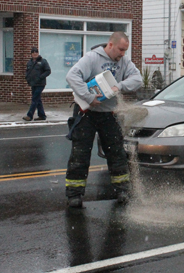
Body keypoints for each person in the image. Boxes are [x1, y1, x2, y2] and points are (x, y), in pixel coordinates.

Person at [65, 32, 142, 208]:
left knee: (116, 153)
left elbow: (137, 79)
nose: (123, 54)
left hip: (109, 114)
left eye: (125, 50)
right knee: (80, 154)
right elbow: (72, 76)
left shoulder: (124, 62)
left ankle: (122, 190)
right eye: (121, 49)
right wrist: (88, 95)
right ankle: (74, 194)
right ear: (110, 45)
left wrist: (119, 86)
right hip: (86, 113)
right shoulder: (92, 58)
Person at [23, 47, 51, 121]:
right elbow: (27, 71)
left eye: (36, 52)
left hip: (40, 84)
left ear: (38, 53)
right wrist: (27, 78)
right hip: (33, 83)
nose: (35, 54)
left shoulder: (43, 61)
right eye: (33, 53)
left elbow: (48, 71)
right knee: (37, 99)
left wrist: (40, 77)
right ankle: (42, 115)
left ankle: (30, 115)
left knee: (34, 99)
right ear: (31, 54)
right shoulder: (30, 62)